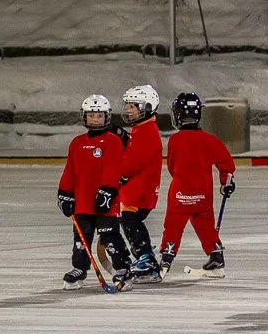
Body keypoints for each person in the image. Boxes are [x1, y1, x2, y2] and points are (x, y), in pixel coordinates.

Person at [57, 95, 131, 288]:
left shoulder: (113, 141)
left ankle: (123, 269)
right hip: (82, 201)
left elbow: (112, 169)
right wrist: (64, 193)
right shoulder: (77, 142)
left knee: (110, 237)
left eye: (99, 116)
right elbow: (70, 171)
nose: (95, 120)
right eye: (91, 115)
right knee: (81, 238)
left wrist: (107, 192)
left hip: (105, 201)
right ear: (85, 116)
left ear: (107, 117)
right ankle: (79, 268)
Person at [157, 92, 233, 275]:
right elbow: (226, 163)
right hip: (203, 195)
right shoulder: (210, 139)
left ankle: (167, 257)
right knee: (205, 225)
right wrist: (226, 182)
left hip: (180, 195)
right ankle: (216, 256)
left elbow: (172, 166)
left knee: (173, 226)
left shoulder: (175, 140)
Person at [115, 85, 163, 281]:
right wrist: (125, 138)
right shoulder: (142, 129)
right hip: (138, 187)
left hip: (140, 189)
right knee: (129, 220)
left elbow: (134, 162)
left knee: (130, 220)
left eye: (133, 106)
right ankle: (143, 253)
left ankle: (146, 257)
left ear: (147, 107)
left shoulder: (146, 131)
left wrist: (118, 176)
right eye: (127, 106)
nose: (128, 110)